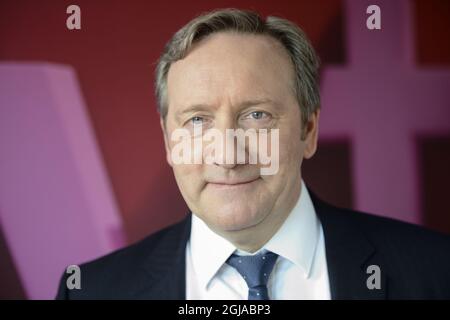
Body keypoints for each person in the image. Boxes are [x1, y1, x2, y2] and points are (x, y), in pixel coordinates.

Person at [56, 8, 450, 300]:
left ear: (308, 130)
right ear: (167, 140)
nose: (228, 155)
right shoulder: (91, 292)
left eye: (257, 115)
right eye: (197, 120)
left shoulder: (435, 272)